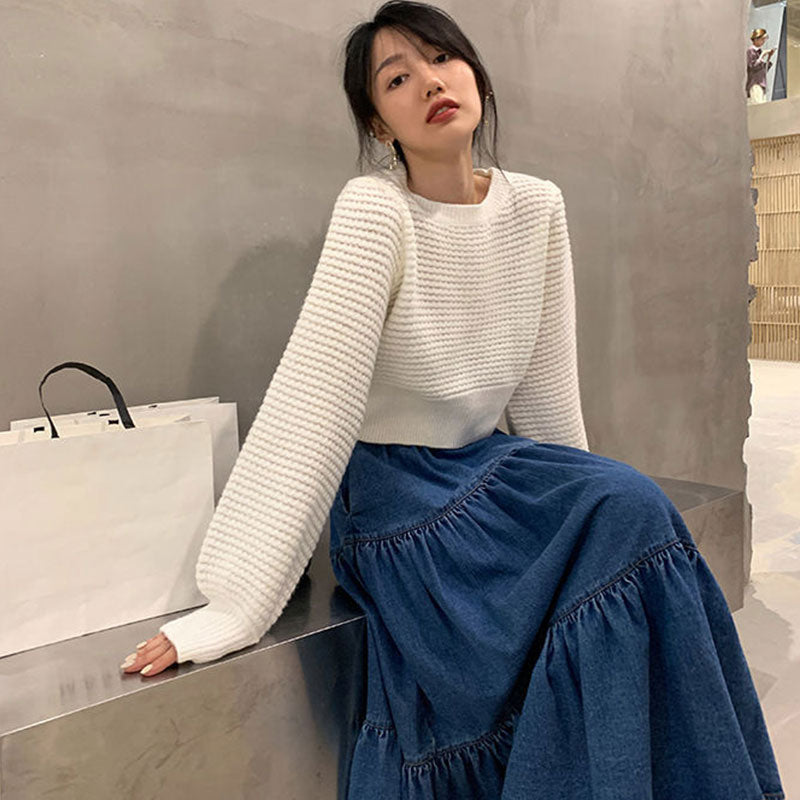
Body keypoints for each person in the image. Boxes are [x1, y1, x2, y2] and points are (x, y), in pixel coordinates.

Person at [120, 2, 785, 797]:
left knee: (632, 513)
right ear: (379, 122)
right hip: (395, 497)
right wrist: (235, 606)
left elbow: (546, 392)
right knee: (627, 512)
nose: (430, 82)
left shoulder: (536, 207)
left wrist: (572, 511)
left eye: (441, 59)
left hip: (485, 471)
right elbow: (313, 404)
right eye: (397, 78)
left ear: (476, 76)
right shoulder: (375, 211)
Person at [747, 28, 776, 104]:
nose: (763, 41)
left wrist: (769, 56)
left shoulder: (759, 51)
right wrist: (762, 55)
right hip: (755, 83)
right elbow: (752, 66)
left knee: (762, 106)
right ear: (756, 39)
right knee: (757, 106)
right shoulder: (751, 50)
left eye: (764, 39)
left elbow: (764, 69)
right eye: (762, 39)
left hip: (761, 83)